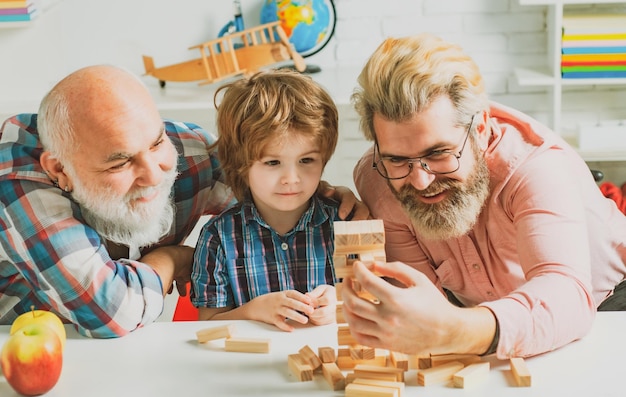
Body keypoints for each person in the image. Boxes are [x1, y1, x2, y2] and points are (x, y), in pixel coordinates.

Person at [0, 65, 367, 338]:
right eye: (121, 162)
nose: (155, 173)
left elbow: (265, 170)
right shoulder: (17, 182)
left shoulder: (192, 152)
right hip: (19, 344)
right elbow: (110, 309)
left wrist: (331, 193)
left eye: (157, 142)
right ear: (60, 170)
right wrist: (172, 259)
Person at [341, 33, 626, 359]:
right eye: (397, 159)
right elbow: (424, 301)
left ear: (480, 128)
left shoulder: (535, 166)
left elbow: (566, 295)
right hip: (479, 319)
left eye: (439, 154)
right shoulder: (377, 177)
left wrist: (455, 330)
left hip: (607, 302)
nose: (419, 181)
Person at [191, 69, 339, 332]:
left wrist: (341, 304)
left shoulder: (345, 223)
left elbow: (378, 308)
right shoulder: (218, 238)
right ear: (240, 165)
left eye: (306, 160)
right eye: (273, 162)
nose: (291, 178)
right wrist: (254, 311)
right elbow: (206, 327)